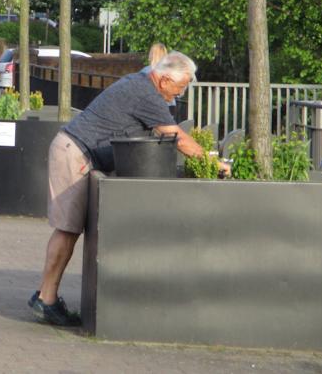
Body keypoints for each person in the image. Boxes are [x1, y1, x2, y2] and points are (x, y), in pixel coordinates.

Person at [29, 51, 230, 326]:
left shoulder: (142, 82)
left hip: (78, 151)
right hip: (75, 153)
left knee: (70, 230)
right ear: (163, 79)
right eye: (179, 87)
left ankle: (46, 296)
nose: (178, 94)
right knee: (67, 229)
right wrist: (212, 161)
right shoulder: (146, 93)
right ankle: (46, 300)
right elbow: (177, 138)